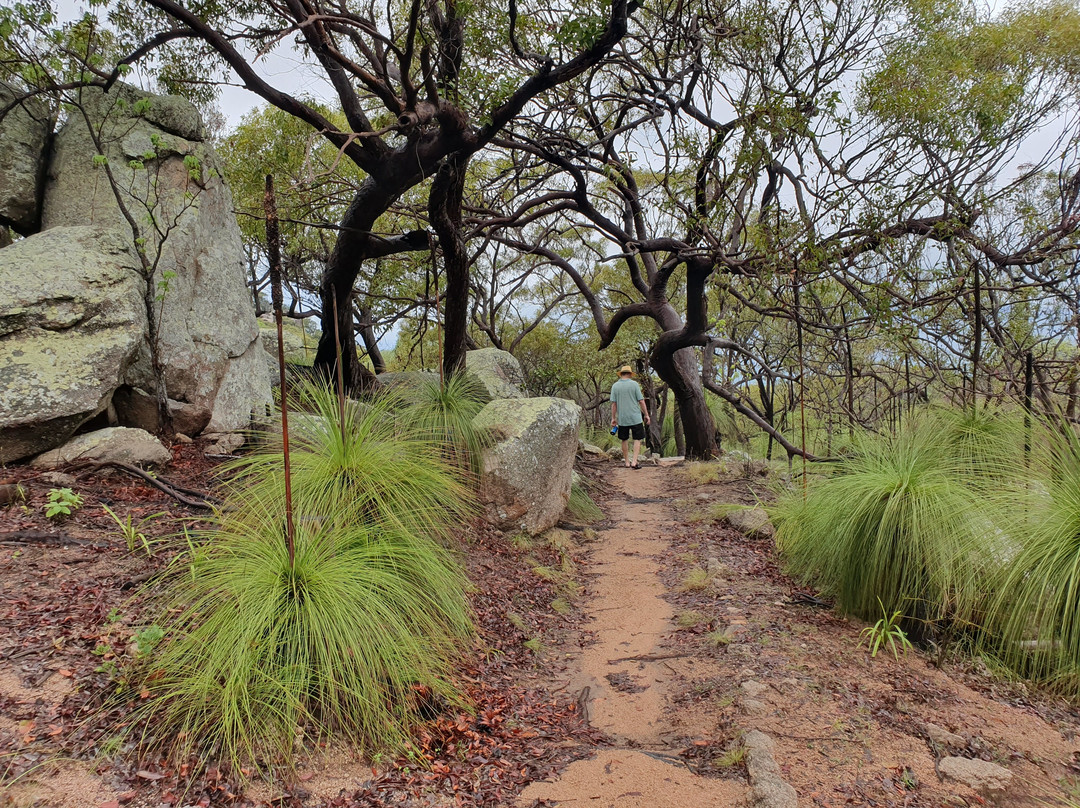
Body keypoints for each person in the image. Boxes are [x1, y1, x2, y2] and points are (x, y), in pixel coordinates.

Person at [610, 365, 651, 469]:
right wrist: (646, 415)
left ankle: (627, 462)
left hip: (622, 418)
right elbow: (641, 401)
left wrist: (613, 418)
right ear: (629, 374)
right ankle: (634, 461)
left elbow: (614, 404)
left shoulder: (615, 386)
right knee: (637, 439)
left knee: (624, 439)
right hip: (635, 417)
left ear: (621, 374)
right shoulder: (634, 384)